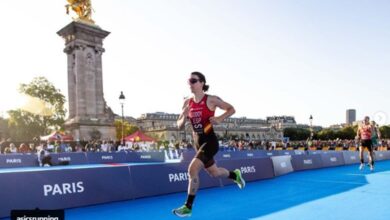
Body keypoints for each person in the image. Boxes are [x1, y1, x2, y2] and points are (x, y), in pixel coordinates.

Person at [172, 72, 245, 217]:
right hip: (197, 143)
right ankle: (235, 175)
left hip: (210, 141)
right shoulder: (187, 102)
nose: (190, 84)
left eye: (193, 81)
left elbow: (231, 109)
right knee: (215, 173)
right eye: (189, 81)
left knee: (192, 169)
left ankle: (188, 207)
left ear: (202, 83)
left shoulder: (211, 99)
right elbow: (179, 125)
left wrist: (219, 118)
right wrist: (184, 117)